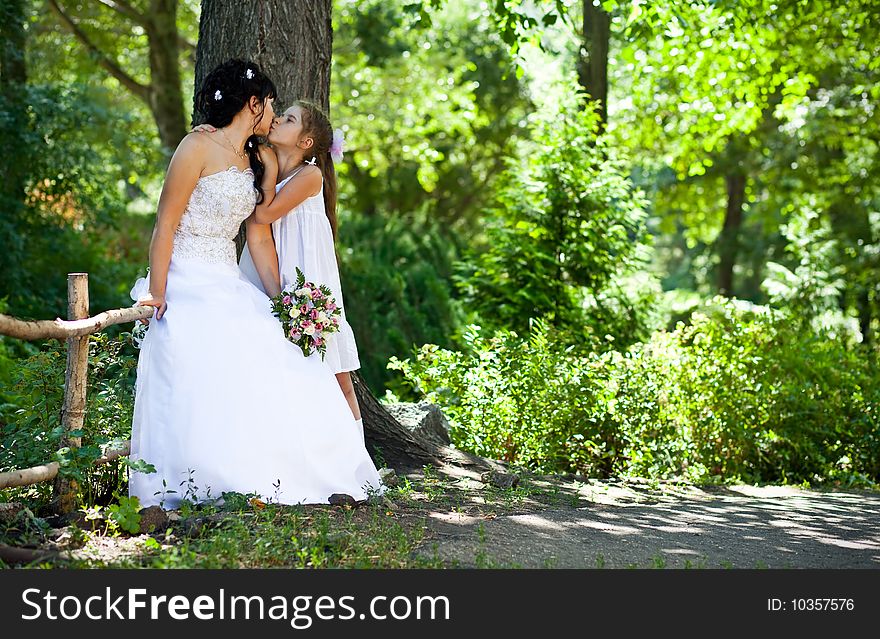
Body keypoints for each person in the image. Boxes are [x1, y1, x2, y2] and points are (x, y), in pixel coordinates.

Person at [128, 59, 383, 509]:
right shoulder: (196, 147)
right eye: (271, 105)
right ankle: (191, 481)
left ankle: (290, 471)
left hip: (227, 277)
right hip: (186, 276)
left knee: (279, 354)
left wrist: (281, 301)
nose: (274, 111)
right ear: (253, 104)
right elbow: (165, 225)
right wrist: (158, 292)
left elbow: (259, 237)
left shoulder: (255, 157)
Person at [234, 101, 365, 443]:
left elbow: (264, 215)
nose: (277, 119)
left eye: (289, 119)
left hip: (308, 276)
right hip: (277, 274)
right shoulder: (270, 164)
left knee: (337, 373)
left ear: (305, 143)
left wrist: (270, 171)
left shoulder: (309, 175)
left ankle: (358, 457)